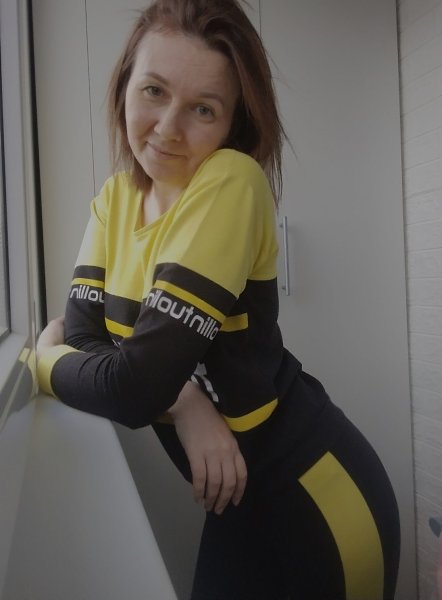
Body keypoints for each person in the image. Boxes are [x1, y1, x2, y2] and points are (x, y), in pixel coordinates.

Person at [37, 1, 400, 598]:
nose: (168, 127)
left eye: (203, 108)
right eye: (154, 90)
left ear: (233, 124)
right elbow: (86, 339)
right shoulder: (113, 200)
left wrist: (43, 363)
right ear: (125, 85)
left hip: (316, 496)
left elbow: (128, 385)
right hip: (234, 503)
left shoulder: (232, 180)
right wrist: (185, 402)